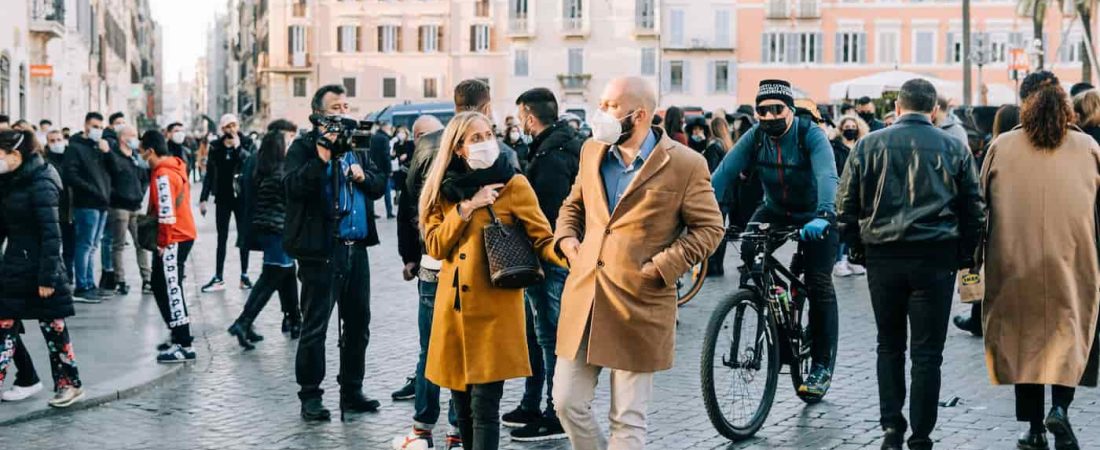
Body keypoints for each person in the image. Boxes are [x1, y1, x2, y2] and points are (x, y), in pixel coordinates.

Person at [553, 77, 723, 449]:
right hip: (586, 299)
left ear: (640, 115)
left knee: (627, 421)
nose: (601, 113)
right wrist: (566, 239)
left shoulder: (686, 164)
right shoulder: (591, 150)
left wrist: (662, 266)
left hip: (640, 303)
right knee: (567, 403)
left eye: (611, 106)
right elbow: (574, 204)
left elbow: (710, 228)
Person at [836, 78, 984, 450]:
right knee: (927, 353)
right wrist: (966, 255)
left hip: (883, 256)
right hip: (936, 258)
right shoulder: (954, 147)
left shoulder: (868, 145)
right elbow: (973, 210)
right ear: (933, 110)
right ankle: (921, 435)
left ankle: (891, 426)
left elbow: (846, 205)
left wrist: (856, 249)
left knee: (889, 345)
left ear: (898, 108)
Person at [418, 111, 566, 450]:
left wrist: (572, 253)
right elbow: (436, 246)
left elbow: (542, 239)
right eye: (476, 139)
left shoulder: (513, 184)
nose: (486, 143)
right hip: (453, 314)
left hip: (494, 312)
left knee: (485, 408)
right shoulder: (443, 189)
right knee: (462, 410)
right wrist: (467, 207)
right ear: (458, 148)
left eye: (488, 135)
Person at [393, 78, 519, 449]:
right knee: (460, 364)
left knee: (435, 351)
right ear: (486, 106)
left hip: (435, 268)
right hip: (478, 271)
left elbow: (407, 205)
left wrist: (409, 256)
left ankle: (423, 425)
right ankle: (452, 430)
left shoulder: (427, 147)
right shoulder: (502, 154)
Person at [980, 71, 1098, 450]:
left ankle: (1032, 428)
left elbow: (981, 203)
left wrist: (974, 258)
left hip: (1014, 262)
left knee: (1023, 341)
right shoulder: (1088, 149)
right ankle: (1059, 409)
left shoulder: (1003, 145)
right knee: (1071, 335)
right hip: (1075, 260)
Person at [712, 79, 841, 400]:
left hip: (815, 214)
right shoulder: (755, 137)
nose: (769, 116)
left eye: (776, 109)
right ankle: (768, 296)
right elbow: (723, 174)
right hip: (775, 209)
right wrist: (702, 211)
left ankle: (822, 363)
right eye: (762, 110)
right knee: (748, 248)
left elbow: (827, 175)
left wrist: (824, 213)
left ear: (791, 110)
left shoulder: (810, 135)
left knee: (818, 281)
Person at [284, 84, 387, 422]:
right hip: (321, 251)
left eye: (345, 106)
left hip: (356, 248)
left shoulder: (358, 145)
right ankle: (310, 396)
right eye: (334, 108)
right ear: (318, 115)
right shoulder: (302, 146)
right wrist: (322, 156)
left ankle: (352, 389)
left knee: (358, 323)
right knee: (315, 326)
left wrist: (363, 174)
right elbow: (294, 187)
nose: (343, 113)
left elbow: (377, 185)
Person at [495, 87, 582, 442]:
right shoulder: (565, 145)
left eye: (521, 119)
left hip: (550, 257)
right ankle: (534, 402)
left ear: (530, 117)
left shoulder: (552, 156)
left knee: (549, 334)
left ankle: (554, 411)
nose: (521, 126)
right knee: (537, 332)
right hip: (555, 254)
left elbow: (546, 215)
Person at [0, 129, 86, 408]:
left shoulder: (42, 180)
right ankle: (27, 379)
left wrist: (47, 277)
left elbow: (52, 234)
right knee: (3, 325)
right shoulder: (10, 180)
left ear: (15, 154)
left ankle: (70, 385)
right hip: (15, 266)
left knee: (53, 328)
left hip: (41, 269)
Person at [227, 128, 301, 349]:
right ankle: (243, 321)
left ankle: (294, 319)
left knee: (287, 272)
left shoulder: (265, 169)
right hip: (277, 231)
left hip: (271, 231)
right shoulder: (280, 172)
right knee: (270, 278)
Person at [952, 103, 1019, 338]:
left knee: (983, 269)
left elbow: (978, 188)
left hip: (994, 220)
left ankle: (978, 318)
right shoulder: (1025, 149)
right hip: (1016, 221)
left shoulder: (994, 148)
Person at [200, 113, 256, 292]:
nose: (232, 129)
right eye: (228, 126)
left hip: (242, 197)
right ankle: (219, 276)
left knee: (243, 237)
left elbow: (251, 164)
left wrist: (238, 148)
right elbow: (209, 173)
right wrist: (203, 198)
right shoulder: (216, 146)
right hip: (223, 197)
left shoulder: (247, 143)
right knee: (221, 238)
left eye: (234, 125)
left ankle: (244, 275)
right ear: (223, 129)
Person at [63, 112, 112, 302]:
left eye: (100, 127)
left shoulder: (99, 148)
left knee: (93, 245)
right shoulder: (75, 148)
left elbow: (112, 170)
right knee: (84, 245)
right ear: (85, 126)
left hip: (101, 203)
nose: (97, 130)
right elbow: (71, 175)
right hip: (86, 204)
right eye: (94, 126)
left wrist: (107, 152)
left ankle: (90, 283)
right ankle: (82, 285)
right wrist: (92, 190)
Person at [104, 125, 151, 296]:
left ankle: (147, 279)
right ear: (123, 137)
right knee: (118, 245)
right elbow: (110, 177)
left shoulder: (136, 158)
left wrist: (140, 192)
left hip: (136, 206)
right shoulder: (114, 156)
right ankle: (120, 280)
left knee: (142, 244)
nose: (136, 139)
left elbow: (145, 178)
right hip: (119, 206)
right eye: (132, 135)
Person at [830, 116, 869, 278]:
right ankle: (838, 261)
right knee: (841, 226)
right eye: (847, 126)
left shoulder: (862, 146)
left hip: (858, 191)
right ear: (841, 128)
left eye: (853, 126)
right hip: (840, 190)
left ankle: (849, 259)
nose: (850, 129)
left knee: (853, 226)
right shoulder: (835, 147)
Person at [704, 116, 733, 277]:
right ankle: (718, 265)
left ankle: (712, 266)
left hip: (717, 195)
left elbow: (711, 171)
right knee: (720, 230)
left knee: (712, 230)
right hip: (727, 196)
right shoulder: (727, 146)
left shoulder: (714, 147)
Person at [370, 121, 397, 219]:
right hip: (383, 169)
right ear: (385, 128)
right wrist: (389, 170)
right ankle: (389, 212)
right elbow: (386, 156)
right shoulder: (384, 138)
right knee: (387, 191)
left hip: (373, 168)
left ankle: (371, 212)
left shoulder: (373, 137)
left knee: (371, 190)